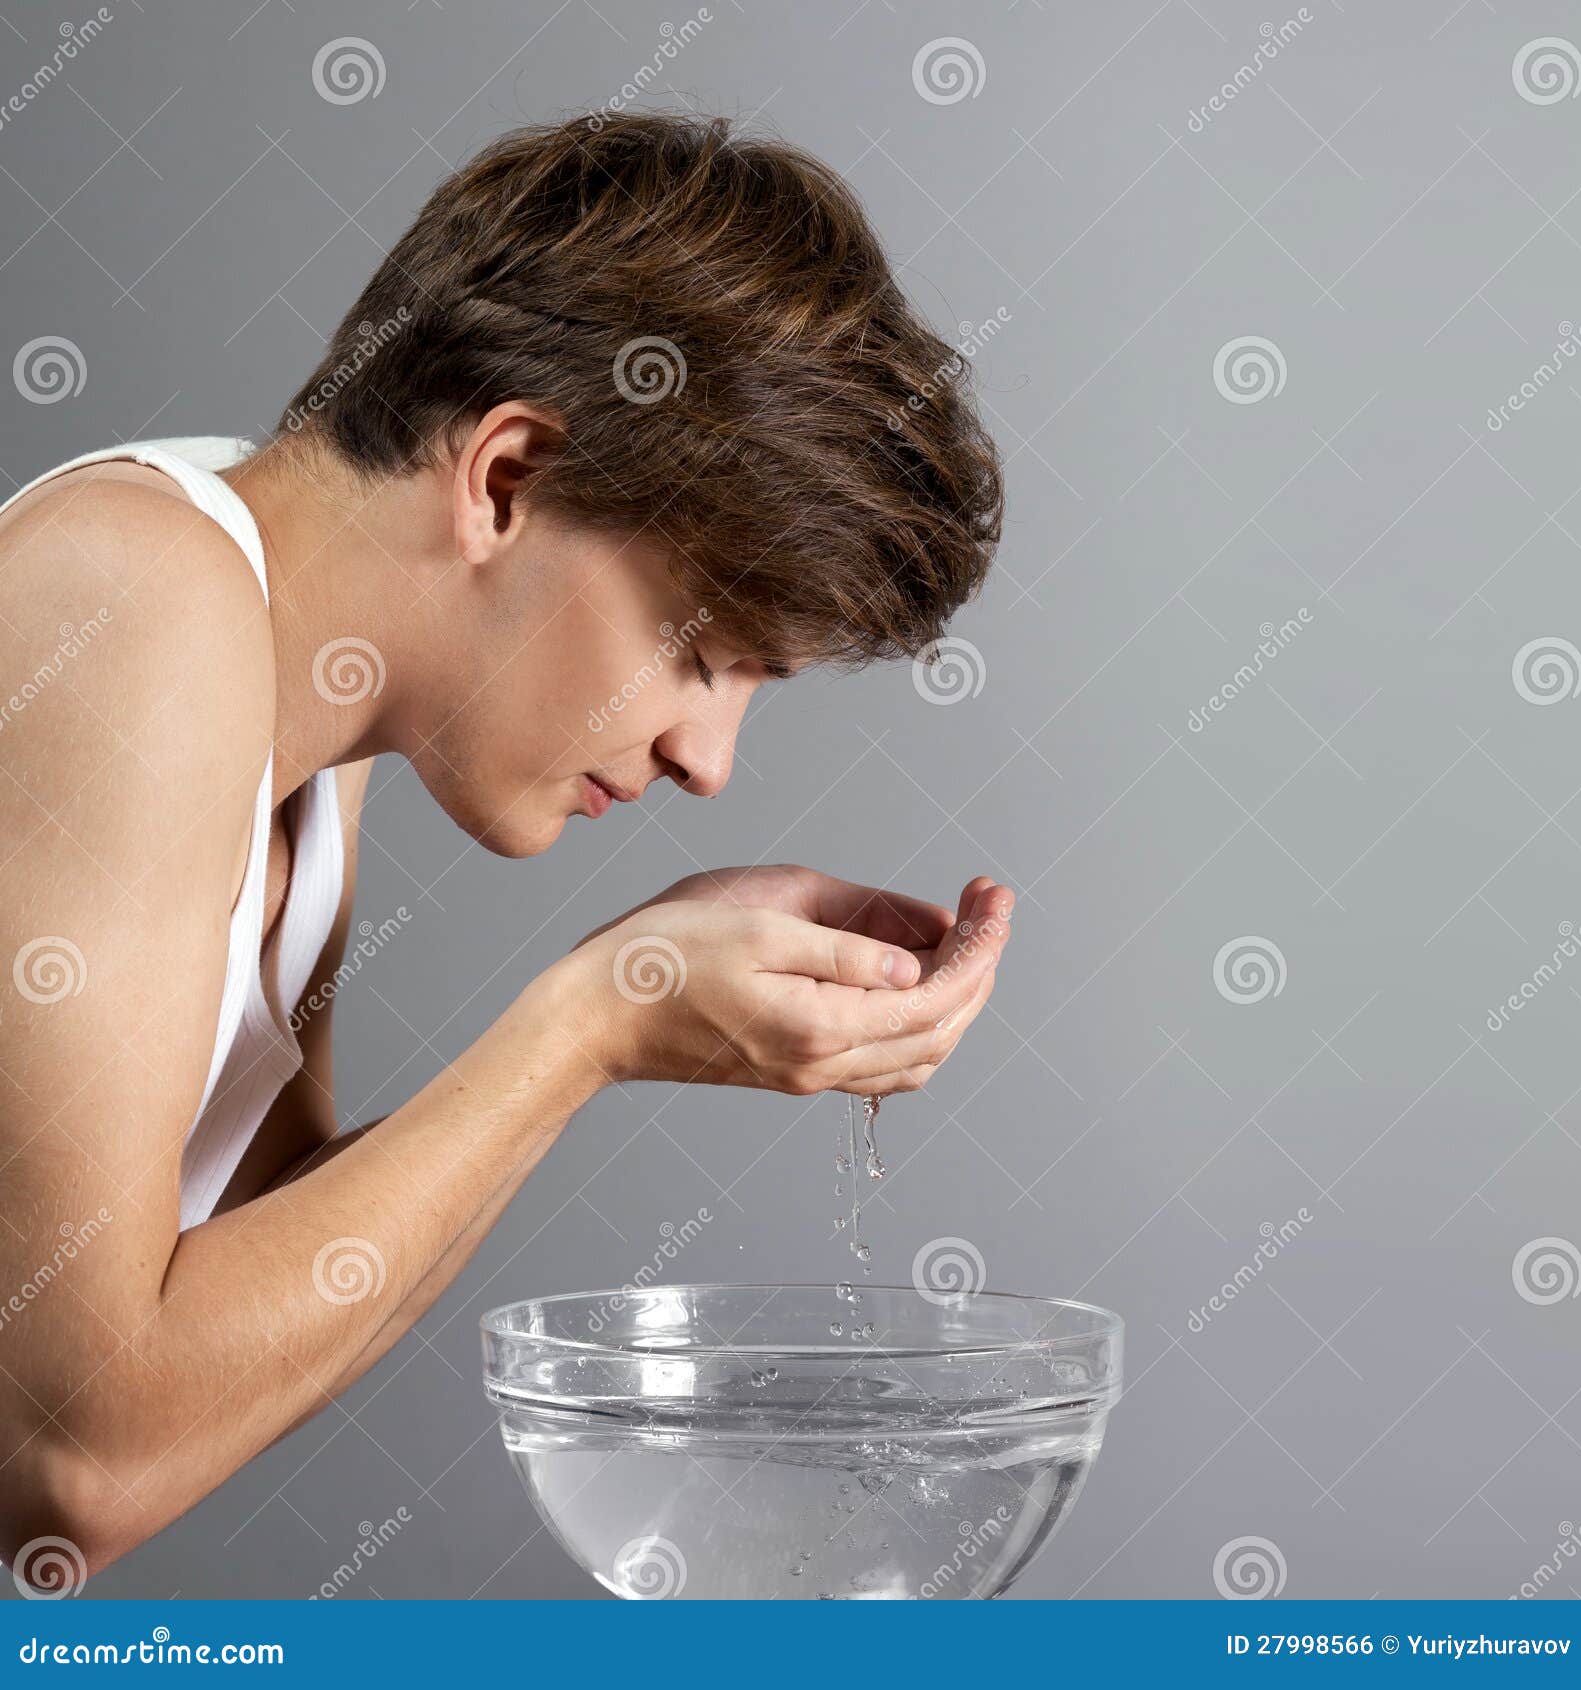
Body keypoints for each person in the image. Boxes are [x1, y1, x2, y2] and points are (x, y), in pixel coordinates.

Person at [0, 112, 1013, 1583]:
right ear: (506, 476)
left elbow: (231, 1299)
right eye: (709, 655)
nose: (707, 760)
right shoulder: (137, 606)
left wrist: (638, 985)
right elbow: (70, 1461)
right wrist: (591, 1020)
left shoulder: (312, 735)